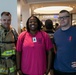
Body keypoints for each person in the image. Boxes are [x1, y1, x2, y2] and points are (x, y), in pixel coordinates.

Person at [53, 10, 76, 75]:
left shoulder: (74, 31)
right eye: (60, 18)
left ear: (69, 18)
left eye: (64, 17)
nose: (62, 19)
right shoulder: (56, 34)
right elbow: (56, 49)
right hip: (58, 69)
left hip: (72, 70)